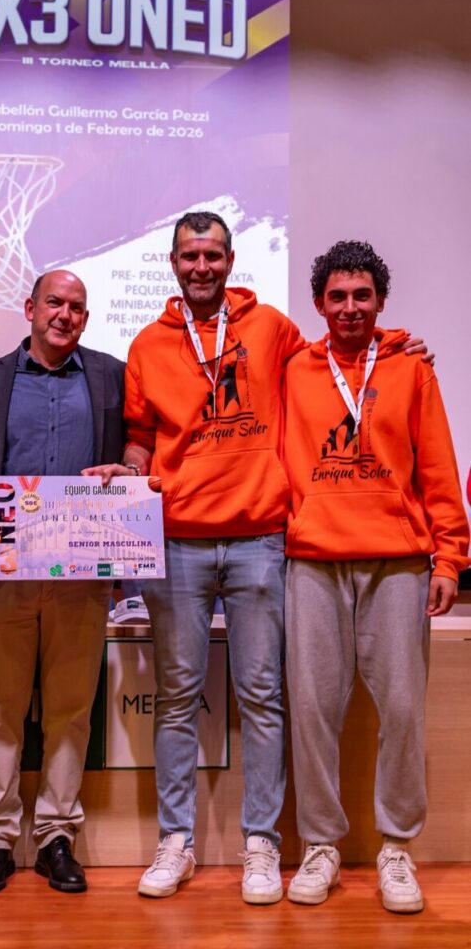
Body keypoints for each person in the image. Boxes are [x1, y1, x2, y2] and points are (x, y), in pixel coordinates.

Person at [88, 212, 429, 904]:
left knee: (264, 698)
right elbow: (141, 437)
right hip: (177, 538)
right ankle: (176, 841)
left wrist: (395, 343)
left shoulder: (272, 328)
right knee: (179, 697)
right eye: (191, 255)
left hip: (261, 538)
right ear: (174, 263)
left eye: (213, 254)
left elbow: (342, 358)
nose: (203, 266)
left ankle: (261, 845)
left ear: (231, 258)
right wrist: (127, 470)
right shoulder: (149, 344)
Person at [282, 240, 469, 913]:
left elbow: (440, 468)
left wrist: (449, 555)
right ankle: (322, 846)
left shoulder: (412, 370)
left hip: (397, 563)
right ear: (319, 304)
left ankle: (396, 847)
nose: (351, 307)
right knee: (312, 711)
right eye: (338, 296)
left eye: (363, 296)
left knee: (402, 710)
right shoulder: (293, 369)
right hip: (312, 562)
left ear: (381, 302)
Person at [0, 269, 125, 895]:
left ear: (86, 317)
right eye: (54, 303)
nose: (64, 314)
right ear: (29, 308)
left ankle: (57, 834)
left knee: (69, 712)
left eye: (77, 307)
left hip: (83, 575)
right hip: (4, 573)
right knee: (0, 712)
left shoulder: (110, 374)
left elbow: (134, 451)